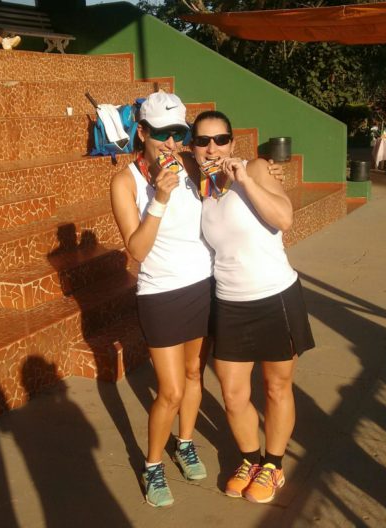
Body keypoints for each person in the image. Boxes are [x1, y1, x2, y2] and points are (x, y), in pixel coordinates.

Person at [191, 110, 315, 504]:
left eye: (220, 139)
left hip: (275, 295)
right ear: (193, 148)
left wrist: (244, 179)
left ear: (233, 143)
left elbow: (284, 218)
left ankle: (273, 465)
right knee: (232, 393)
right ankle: (249, 459)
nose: (212, 148)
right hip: (229, 302)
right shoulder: (201, 187)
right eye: (203, 141)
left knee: (276, 387)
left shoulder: (257, 169)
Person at [110, 91, 214, 508]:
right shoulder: (126, 182)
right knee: (169, 391)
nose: (171, 143)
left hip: (202, 285)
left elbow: (228, 173)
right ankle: (153, 465)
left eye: (178, 133)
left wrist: (263, 173)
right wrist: (160, 198)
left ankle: (184, 442)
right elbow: (136, 251)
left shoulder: (190, 164)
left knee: (194, 375)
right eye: (162, 134)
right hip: (160, 293)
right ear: (142, 132)